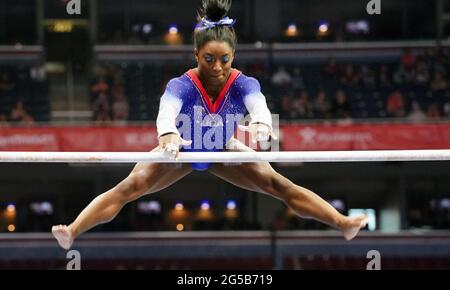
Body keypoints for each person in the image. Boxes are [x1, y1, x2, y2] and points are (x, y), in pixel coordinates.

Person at [52, 0, 367, 250]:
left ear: (233, 55)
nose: (217, 68)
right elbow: (166, 111)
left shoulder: (243, 83)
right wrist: (169, 135)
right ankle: (74, 231)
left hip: (223, 149)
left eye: (225, 60)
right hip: (183, 149)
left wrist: (261, 123)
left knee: (278, 185)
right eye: (208, 59)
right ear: (196, 54)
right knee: (128, 187)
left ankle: (342, 223)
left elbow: (259, 103)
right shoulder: (182, 85)